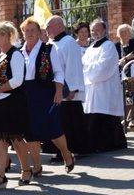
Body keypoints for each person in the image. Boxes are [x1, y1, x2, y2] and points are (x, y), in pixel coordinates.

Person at [20, 18, 75, 176]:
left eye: (33, 30)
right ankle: (37, 166)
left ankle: (66, 154)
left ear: (39, 33)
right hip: (26, 95)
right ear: (23, 34)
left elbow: (58, 72)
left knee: (53, 128)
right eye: (27, 31)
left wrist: (58, 91)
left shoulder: (49, 49)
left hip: (45, 93)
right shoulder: (18, 51)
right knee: (31, 133)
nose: (30, 33)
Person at [0, 21, 31, 189]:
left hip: (13, 101)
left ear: (6, 36)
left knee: (16, 138)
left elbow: (17, 80)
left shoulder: (15, 54)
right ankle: (0, 176)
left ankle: (26, 169)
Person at [44, 16, 91, 157]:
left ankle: (75, 148)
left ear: (58, 26)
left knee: (70, 121)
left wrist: (72, 89)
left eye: (49, 27)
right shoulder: (51, 43)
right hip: (55, 89)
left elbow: (73, 66)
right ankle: (60, 151)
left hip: (68, 91)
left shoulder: (69, 42)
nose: (46, 30)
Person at [82, 20, 127, 153]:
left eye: (97, 30)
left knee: (105, 116)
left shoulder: (109, 46)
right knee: (93, 116)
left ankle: (110, 144)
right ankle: (95, 144)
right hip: (91, 88)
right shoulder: (90, 48)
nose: (94, 32)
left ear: (104, 31)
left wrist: (85, 68)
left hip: (104, 88)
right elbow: (82, 64)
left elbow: (103, 67)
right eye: (92, 30)